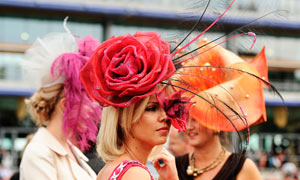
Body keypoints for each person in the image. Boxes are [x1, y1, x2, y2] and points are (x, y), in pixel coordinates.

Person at [174, 39, 272, 180]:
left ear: (216, 119)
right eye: (185, 118)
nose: (188, 126)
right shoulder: (175, 166)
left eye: (196, 118)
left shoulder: (243, 168)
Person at [19, 27, 102, 179]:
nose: (93, 110)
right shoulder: (39, 153)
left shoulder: (72, 151)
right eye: (87, 102)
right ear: (65, 105)